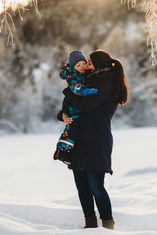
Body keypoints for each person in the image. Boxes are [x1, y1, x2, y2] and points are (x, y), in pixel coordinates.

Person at [57, 49, 129, 230]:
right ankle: (90, 226)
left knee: (96, 187)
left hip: (96, 141)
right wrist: (62, 115)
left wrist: (68, 90)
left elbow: (84, 105)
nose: (86, 65)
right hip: (80, 141)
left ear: (98, 64)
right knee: (82, 188)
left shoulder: (106, 84)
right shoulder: (89, 80)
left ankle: (107, 227)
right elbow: (72, 107)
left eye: (89, 62)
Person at [53, 51, 98, 164]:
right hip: (71, 104)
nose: (82, 66)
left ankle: (65, 151)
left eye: (83, 63)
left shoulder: (84, 74)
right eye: (78, 65)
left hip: (73, 104)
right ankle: (62, 150)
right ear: (73, 67)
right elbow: (75, 88)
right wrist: (86, 91)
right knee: (72, 127)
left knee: (72, 127)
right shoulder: (73, 75)